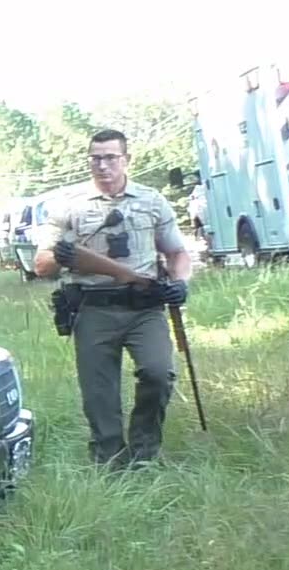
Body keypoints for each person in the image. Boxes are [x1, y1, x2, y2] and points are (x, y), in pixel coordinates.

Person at [33, 128, 192, 468]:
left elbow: (177, 252)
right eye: (95, 158)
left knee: (158, 372)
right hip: (94, 307)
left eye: (110, 157)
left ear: (126, 159)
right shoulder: (68, 206)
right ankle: (110, 460)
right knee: (99, 393)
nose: (102, 165)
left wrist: (180, 283)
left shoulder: (151, 200)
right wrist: (62, 256)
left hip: (144, 306)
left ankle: (145, 452)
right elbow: (41, 265)